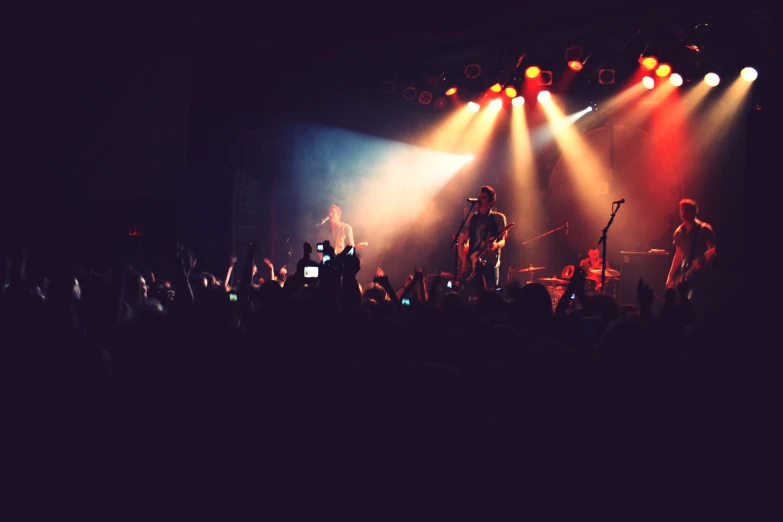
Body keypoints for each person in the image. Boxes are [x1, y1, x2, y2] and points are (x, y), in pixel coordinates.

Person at [459, 185, 508, 291]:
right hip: (473, 263)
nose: (480, 199)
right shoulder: (472, 218)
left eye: (484, 197)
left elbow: (503, 241)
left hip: (490, 263)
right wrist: (464, 260)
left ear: (491, 202)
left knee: (490, 296)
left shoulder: (499, 218)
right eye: (479, 196)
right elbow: (464, 240)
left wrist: (495, 245)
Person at [666, 198, 716, 289]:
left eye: (687, 209)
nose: (683, 212)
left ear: (694, 211)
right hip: (686, 274)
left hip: (702, 276)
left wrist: (703, 265)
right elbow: (678, 255)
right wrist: (670, 276)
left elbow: (712, 252)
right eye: (682, 209)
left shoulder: (704, 229)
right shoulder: (678, 232)